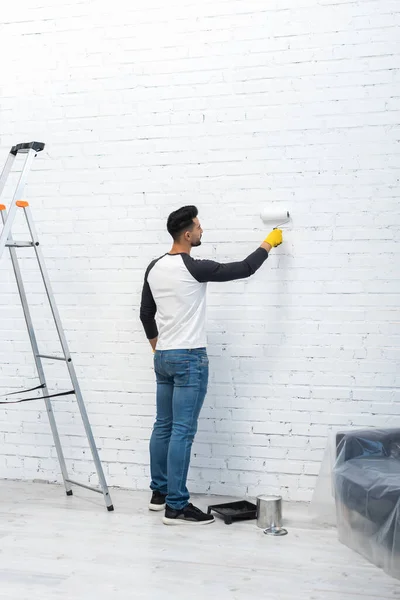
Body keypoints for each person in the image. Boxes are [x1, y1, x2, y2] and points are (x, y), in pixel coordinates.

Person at [140, 206, 283, 525]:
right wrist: (269, 243)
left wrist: (158, 350)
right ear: (187, 234)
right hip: (188, 358)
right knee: (181, 431)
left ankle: (159, 493)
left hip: (163, 357)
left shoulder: (154, 266)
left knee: (163, 425)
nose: (202, 231)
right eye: (199, 227)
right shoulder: (192, 267)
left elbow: (145, 314)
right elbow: (245, 268)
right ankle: (176, 506)